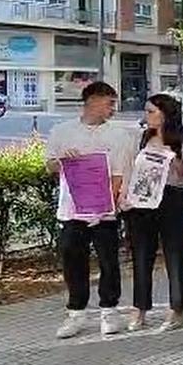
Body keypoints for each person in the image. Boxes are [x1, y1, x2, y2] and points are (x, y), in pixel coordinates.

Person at [46, 81, 136, 339]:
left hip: (104, 209)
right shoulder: (62, 131)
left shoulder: (119, 135)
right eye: (109, 103)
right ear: (93, 101)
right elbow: (50, 166)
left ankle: (109, 309)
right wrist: (63, 159)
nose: (112, 109)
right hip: (72, 209)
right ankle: (76, 312)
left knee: (108, 261)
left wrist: (111, 203)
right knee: (73, 260)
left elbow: (119, 172)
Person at [122, 93, 183, 332]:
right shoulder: (142, 138)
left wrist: (180, 159)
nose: (147, 116)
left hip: (173, 200)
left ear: (166, 114)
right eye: (146, 111)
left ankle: (177, 309)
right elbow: (130, 170)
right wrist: (126, 196)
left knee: (175, 257)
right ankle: (139, 308)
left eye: (152, 111)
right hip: (143, 203)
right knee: (142, 258)